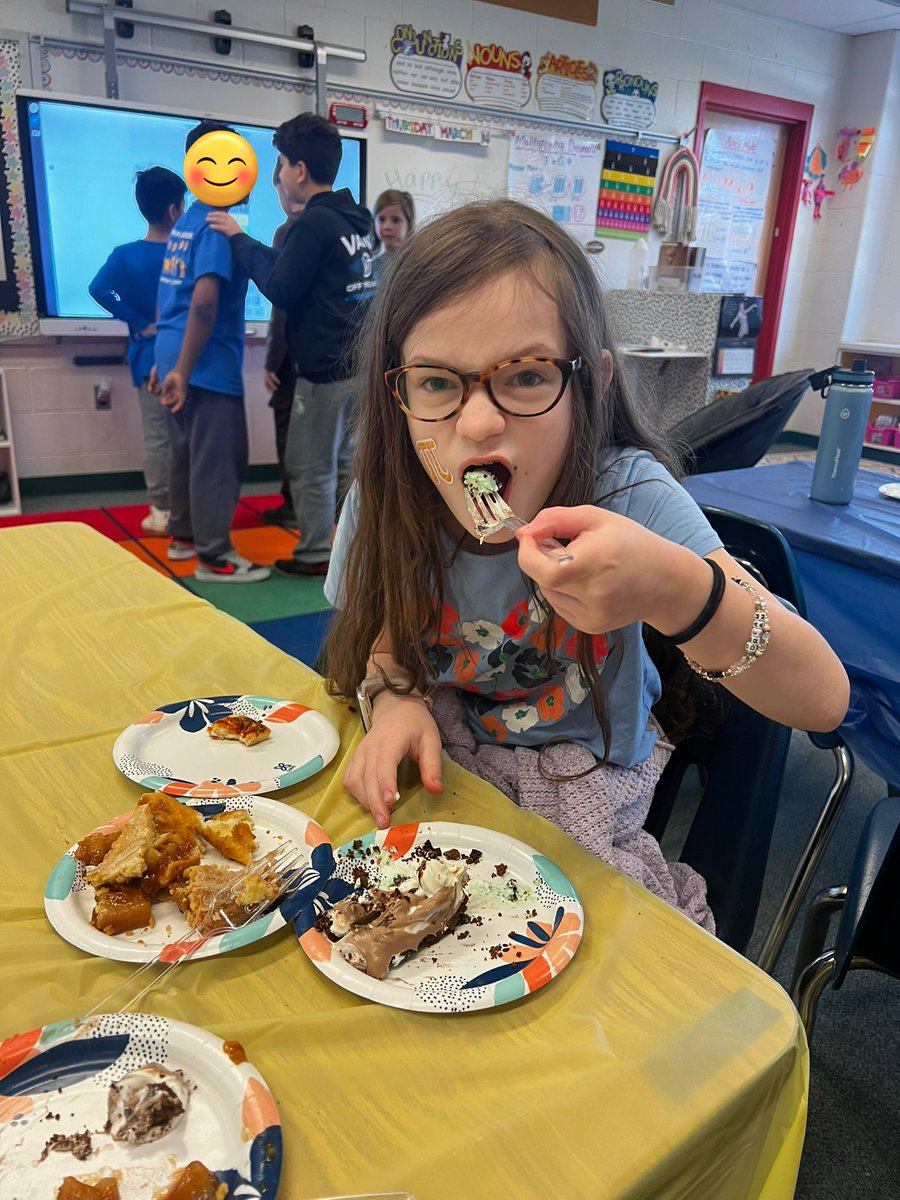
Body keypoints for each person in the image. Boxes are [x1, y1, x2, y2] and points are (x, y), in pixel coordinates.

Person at [321, 199, 849, 931]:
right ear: (400, 395)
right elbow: (383, 640)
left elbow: (822, 698)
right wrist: (397, 698)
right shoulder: (385, 501)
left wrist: (673, 588)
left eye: (527, 377)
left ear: (591, 383)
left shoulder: (624, 493)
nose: (477, 422)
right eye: (438, 383)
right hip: (445, 756)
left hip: (586, 770)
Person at [207, 113, 376, 576]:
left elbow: (281, 287)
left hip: (322, 371)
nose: (277, 176)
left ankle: (317, 553)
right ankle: (347, 549)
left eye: (280, 165)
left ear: (299, 170)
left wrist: (240, 241)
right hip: (358, 364)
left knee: (310, 466)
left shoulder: (313, 223)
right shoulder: (356, 218)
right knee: (344, 463)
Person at [152, 120, 269, 583]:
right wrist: (182, 367)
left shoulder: (185, 219)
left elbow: (170, 293)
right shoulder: (217, 228)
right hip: (203, 363)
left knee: (185, 452)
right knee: (219, 458)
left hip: (175, 355)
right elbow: (202, 302)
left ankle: (182, 537)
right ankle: (215, 557)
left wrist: (168, 363)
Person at [89, 166, 186, 536]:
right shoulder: (186, 254)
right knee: (187, 435)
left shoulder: (126, 255)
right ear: (175, 210)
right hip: (187, 358)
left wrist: (136, 319)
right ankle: (184, 505)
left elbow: (99, 289)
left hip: (149, 358)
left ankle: (162, 508)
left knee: (158, 436)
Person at [262, 162, 305, 527]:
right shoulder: (345, 226)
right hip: (329, 355)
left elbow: (282, 304)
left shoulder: (289, 231)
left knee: (289, 431)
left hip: (294, 356)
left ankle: (294, 505)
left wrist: (272, 361)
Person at [371, 189, 415, 285]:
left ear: (408, 223)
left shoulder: (417, 264)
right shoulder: (371, 267)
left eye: (395, 220)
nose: (387, 227)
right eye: (381, 219)